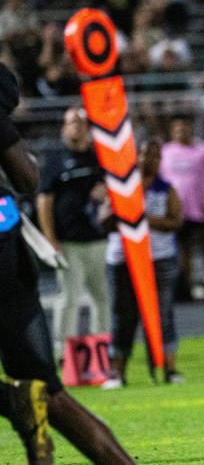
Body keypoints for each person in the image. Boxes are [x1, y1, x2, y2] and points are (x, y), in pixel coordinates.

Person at [0, 64, 134, 464]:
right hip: (6, 247)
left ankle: (15, 400)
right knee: (50, 391)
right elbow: (27, 178)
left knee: (35, 392)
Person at [101, 139, 185, 388]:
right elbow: (104, 220)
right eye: (145, 153)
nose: (150, 159)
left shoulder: (166, 188)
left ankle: (169, 369)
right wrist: (123, 213)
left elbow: (175, 220)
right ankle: (117, 373)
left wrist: (144, 220)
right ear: (134, 156)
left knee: (163, 314)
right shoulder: (120, 186)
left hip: (159, 258)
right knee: (123, 316)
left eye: (155, 155)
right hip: (122, 258)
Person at [37, 106, 111, 360]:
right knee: (69, 297)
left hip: (98, 239)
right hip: (68, 241)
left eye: (81, 122)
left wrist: (105, 194)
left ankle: (101, 348)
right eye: (72, 122)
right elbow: (44, 200)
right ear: (63, 128)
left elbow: (114, 192)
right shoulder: (56, 161)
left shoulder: (98, 158)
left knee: (101, 296)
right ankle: (62, 351)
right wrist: (50, 238)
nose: (77, 126)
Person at [160, 115, 204, 300]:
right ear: (172, 132)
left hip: (201, 207)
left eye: (184, 128)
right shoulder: (166, 152)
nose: (181, 132)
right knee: (183, 248)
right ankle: (186, 285)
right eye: (177, 129)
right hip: (177, 210)